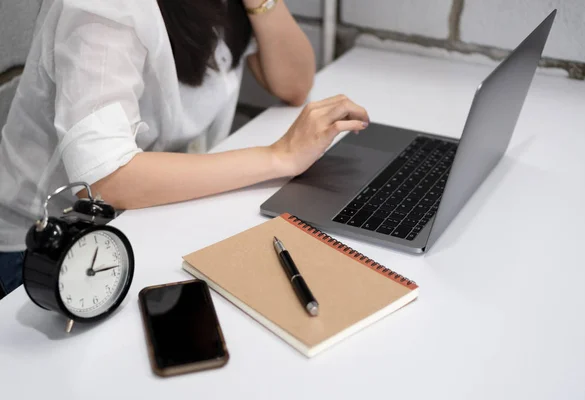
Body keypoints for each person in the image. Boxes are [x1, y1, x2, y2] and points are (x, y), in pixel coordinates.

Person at [0, 0, 370, 298]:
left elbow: (294, 82)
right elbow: (102, 177)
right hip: (45, 244)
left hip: (138, 217)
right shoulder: (102, 7)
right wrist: (279, 156)